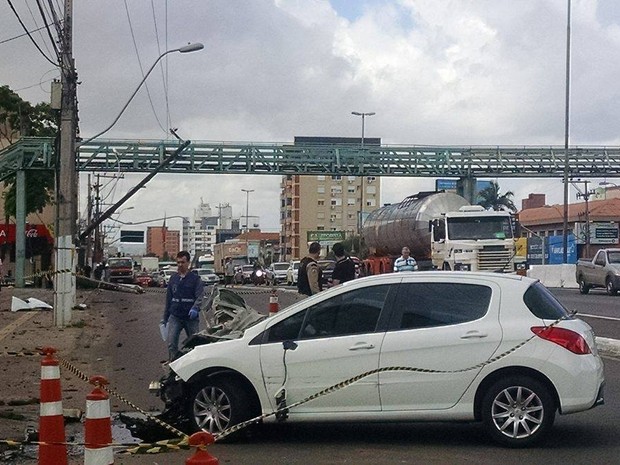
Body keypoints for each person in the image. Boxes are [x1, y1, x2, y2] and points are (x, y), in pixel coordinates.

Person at [161, 251, 205, 361]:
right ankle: (174, 366)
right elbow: (169, 298)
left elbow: (200, 296)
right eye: (178, 262)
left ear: (188, 263)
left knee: (195, 345)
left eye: (183, 262)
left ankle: (195, 366)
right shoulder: (173, 279)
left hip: (191, 318)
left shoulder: (195, 279)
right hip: (175, 316)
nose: (180, 265)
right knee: (171, 344)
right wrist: (165, 318)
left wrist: (195, 308)